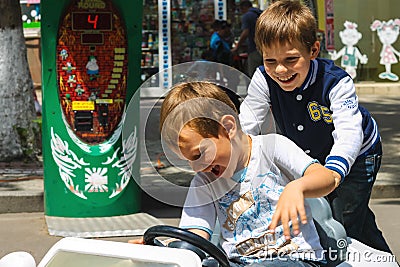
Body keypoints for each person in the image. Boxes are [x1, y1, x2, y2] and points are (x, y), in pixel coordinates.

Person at [238, 0, 392, 253]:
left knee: (341, 223)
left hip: (358, 155)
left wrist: (333, 173)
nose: (280, 70)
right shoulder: (263, 78)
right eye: (270, 60)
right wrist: (234, 161)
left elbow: (348, 134)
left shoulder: (335, 82)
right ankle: (384, 260)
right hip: (309, 155)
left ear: (313, 50)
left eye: (290, 59)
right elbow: (248, 124)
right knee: (342, 218)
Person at [132, 81, 339, 266]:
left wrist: (298, 187)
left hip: (295, 258)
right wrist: (164, 252)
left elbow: (327, 178)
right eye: (189, 160)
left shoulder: (272, 148)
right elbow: (195, 237)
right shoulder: (204, 182)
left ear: (228, 127)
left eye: (199, 154)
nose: (196, 168)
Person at [231, 0, 263, 77]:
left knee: (254, 74)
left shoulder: (247, 16)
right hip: (265, 48)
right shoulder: (261, 14)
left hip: (254, 49)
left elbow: (245, 32)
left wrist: (237, 47)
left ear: (244, 7)